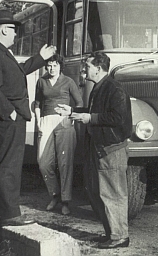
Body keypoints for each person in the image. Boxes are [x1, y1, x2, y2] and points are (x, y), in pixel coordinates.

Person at [0, 9, 56, 226]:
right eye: (13, 30)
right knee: (7, 166)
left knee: (11, 165)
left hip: (12, 118)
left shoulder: (0, 51)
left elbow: (19, 72)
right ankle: (8, 215)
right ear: (3, 30)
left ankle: (9, 213)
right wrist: (10, 112)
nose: (16, 35)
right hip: (7, 119)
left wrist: (41, 58)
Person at [55, 51, 132, 249]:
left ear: (98, 68)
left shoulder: (114, 89)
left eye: (87, 66)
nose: (84, 69)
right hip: (102, 148)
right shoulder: (100, 86)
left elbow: (118, 118)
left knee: (113, 194)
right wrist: (72, 112)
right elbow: (94, 112)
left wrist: (91, 119)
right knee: (101, 193)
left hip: (111, 149)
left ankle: (119, 237)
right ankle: (112, 234)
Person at [34, 54, 83, 215]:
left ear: (60, 66)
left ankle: (65, 201)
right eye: (49, 65)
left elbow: (79, 103)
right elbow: (37, 103)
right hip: (46, 121)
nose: (52, 68)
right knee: (43, 162)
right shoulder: (41, 81)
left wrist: (71, 116)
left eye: (55, 65)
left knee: (65, 163)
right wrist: (38, 121)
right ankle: (54, 195)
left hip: (64, 122)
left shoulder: (68, 81)